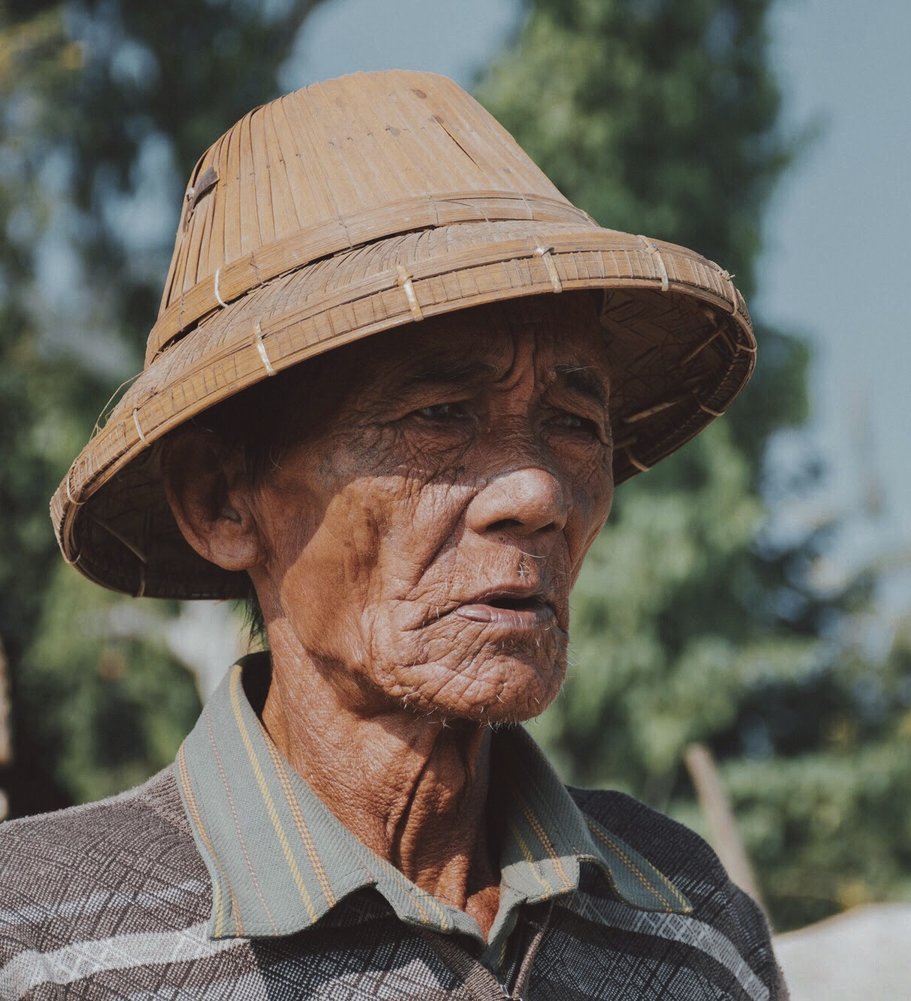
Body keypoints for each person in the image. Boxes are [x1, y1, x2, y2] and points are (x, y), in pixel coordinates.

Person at [0, 71, 786, 999]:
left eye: (575, 422)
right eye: (441, 413)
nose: (537, 492)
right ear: (222, 500)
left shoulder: (691, 930)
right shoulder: (40, 946)